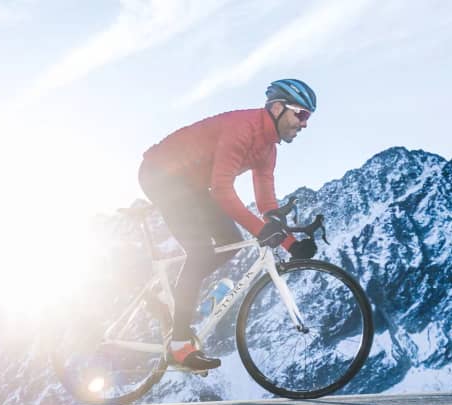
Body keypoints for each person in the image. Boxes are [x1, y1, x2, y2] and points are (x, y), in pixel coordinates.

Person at [137, 78, 319, 371]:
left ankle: (167, 294)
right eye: (301, 114)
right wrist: (263, 232)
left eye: (308, 117)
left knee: (229, 241)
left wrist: (291, 245)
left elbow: (266, 206)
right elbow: (222, 190)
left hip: (193, 185)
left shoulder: (268, 149)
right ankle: (179, 346)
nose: (305, 124)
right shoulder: (242, 128)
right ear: (276, 108)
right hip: (161, 173)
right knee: (200, 252)